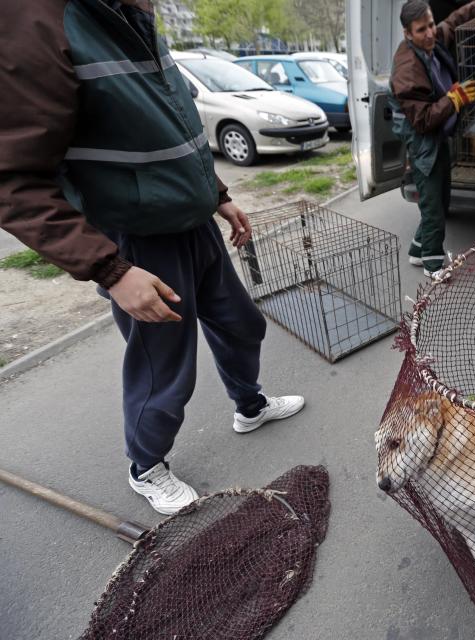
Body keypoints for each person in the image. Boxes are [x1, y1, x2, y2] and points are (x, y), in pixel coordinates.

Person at [0, 0, 305, 515]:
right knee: (164, 366)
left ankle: (249, 405)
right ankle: (145, 466)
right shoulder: (39, 20)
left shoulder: (134, 18)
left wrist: (219, 194)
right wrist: (111, 270)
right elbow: (15, 181)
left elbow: (175, 127)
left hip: (194, 222)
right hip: (140, 240)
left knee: (241, 324)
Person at [390, 0, 475, 279]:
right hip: (422, 141)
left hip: (437, 135)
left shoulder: (430, 41)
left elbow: (452, 23)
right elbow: (421, 121)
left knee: (440, 201)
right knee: (433, 206)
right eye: (422, 30)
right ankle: (433, 266)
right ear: (408, 34)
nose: (430, 33)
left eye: (431, 25)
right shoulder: (407, 69)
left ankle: (417, 250)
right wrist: (454, 99)